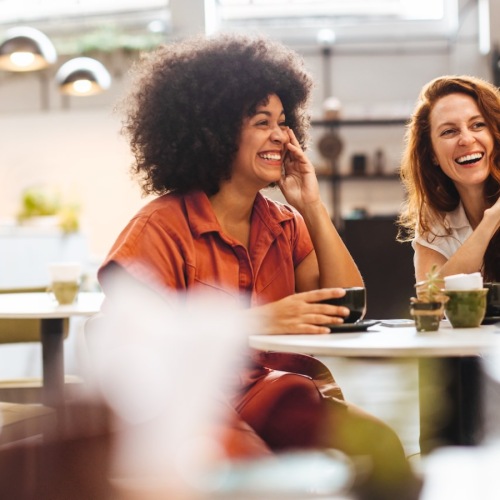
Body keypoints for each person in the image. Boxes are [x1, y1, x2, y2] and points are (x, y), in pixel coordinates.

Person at [97, 33, 420, 499]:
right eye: (261, 121)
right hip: (198, 411)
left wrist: (312, 205)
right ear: (214, 129)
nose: (280, 136)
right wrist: (253, 322)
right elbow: (129, 355)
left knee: (382, 448)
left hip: (280, 396)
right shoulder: (159, 227)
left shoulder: (285, 223)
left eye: (284, 122)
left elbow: (347, 307)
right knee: (271, 482)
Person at [398, 74, 500, 282]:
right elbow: (430, 298)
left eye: (478, 125)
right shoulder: (435, 218)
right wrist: (490, 221)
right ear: (433, 154)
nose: (466, 139)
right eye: (449, 131)